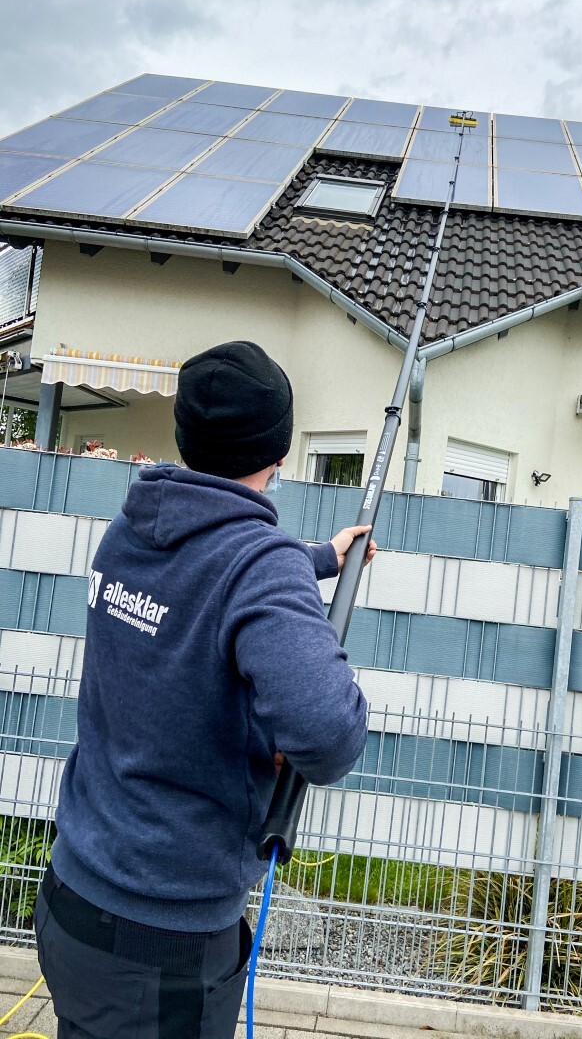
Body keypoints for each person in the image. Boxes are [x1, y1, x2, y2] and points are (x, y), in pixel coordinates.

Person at [35, 340, 373, 1038]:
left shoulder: (131, 530)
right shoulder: (258, 566)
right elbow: (329, 735)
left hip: (73, 901)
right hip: (163, 944)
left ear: (184, 436)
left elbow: (205, 582)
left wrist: (319, 559)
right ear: (279, 450)